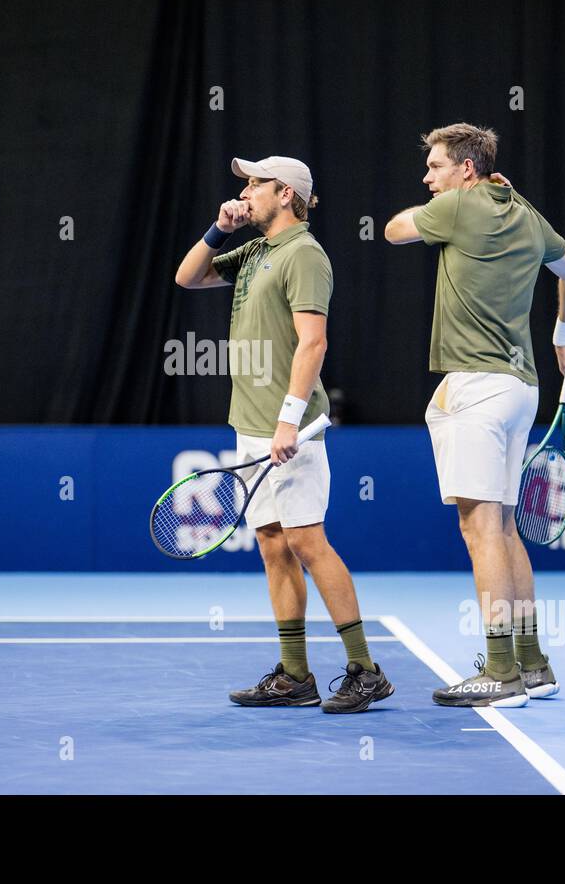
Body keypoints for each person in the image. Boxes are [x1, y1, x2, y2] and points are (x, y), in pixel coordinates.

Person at [174, 155, 393, 713]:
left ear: (286, 194)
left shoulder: (305, 255)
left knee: (307, 542)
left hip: (290, 427)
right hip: (250, 425)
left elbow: (313, 343)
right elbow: (187, 276)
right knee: (273, 545)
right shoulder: (254, 250)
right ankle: (295, 675)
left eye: (255, 185)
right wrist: (220, 227)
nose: (245, 193)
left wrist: (289, 419)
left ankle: (366, 670)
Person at [384, 123, 565, 707]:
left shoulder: (456, 207)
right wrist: (561, 341)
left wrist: (446, 205)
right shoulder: (525, 212)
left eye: (435, 167)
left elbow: (394, 231)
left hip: (476, 391)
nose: (427, 177)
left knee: (481, 532)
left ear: (466, 170)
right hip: (521, 387)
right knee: (502, 529)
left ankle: (499, 672)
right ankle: (533, 663)